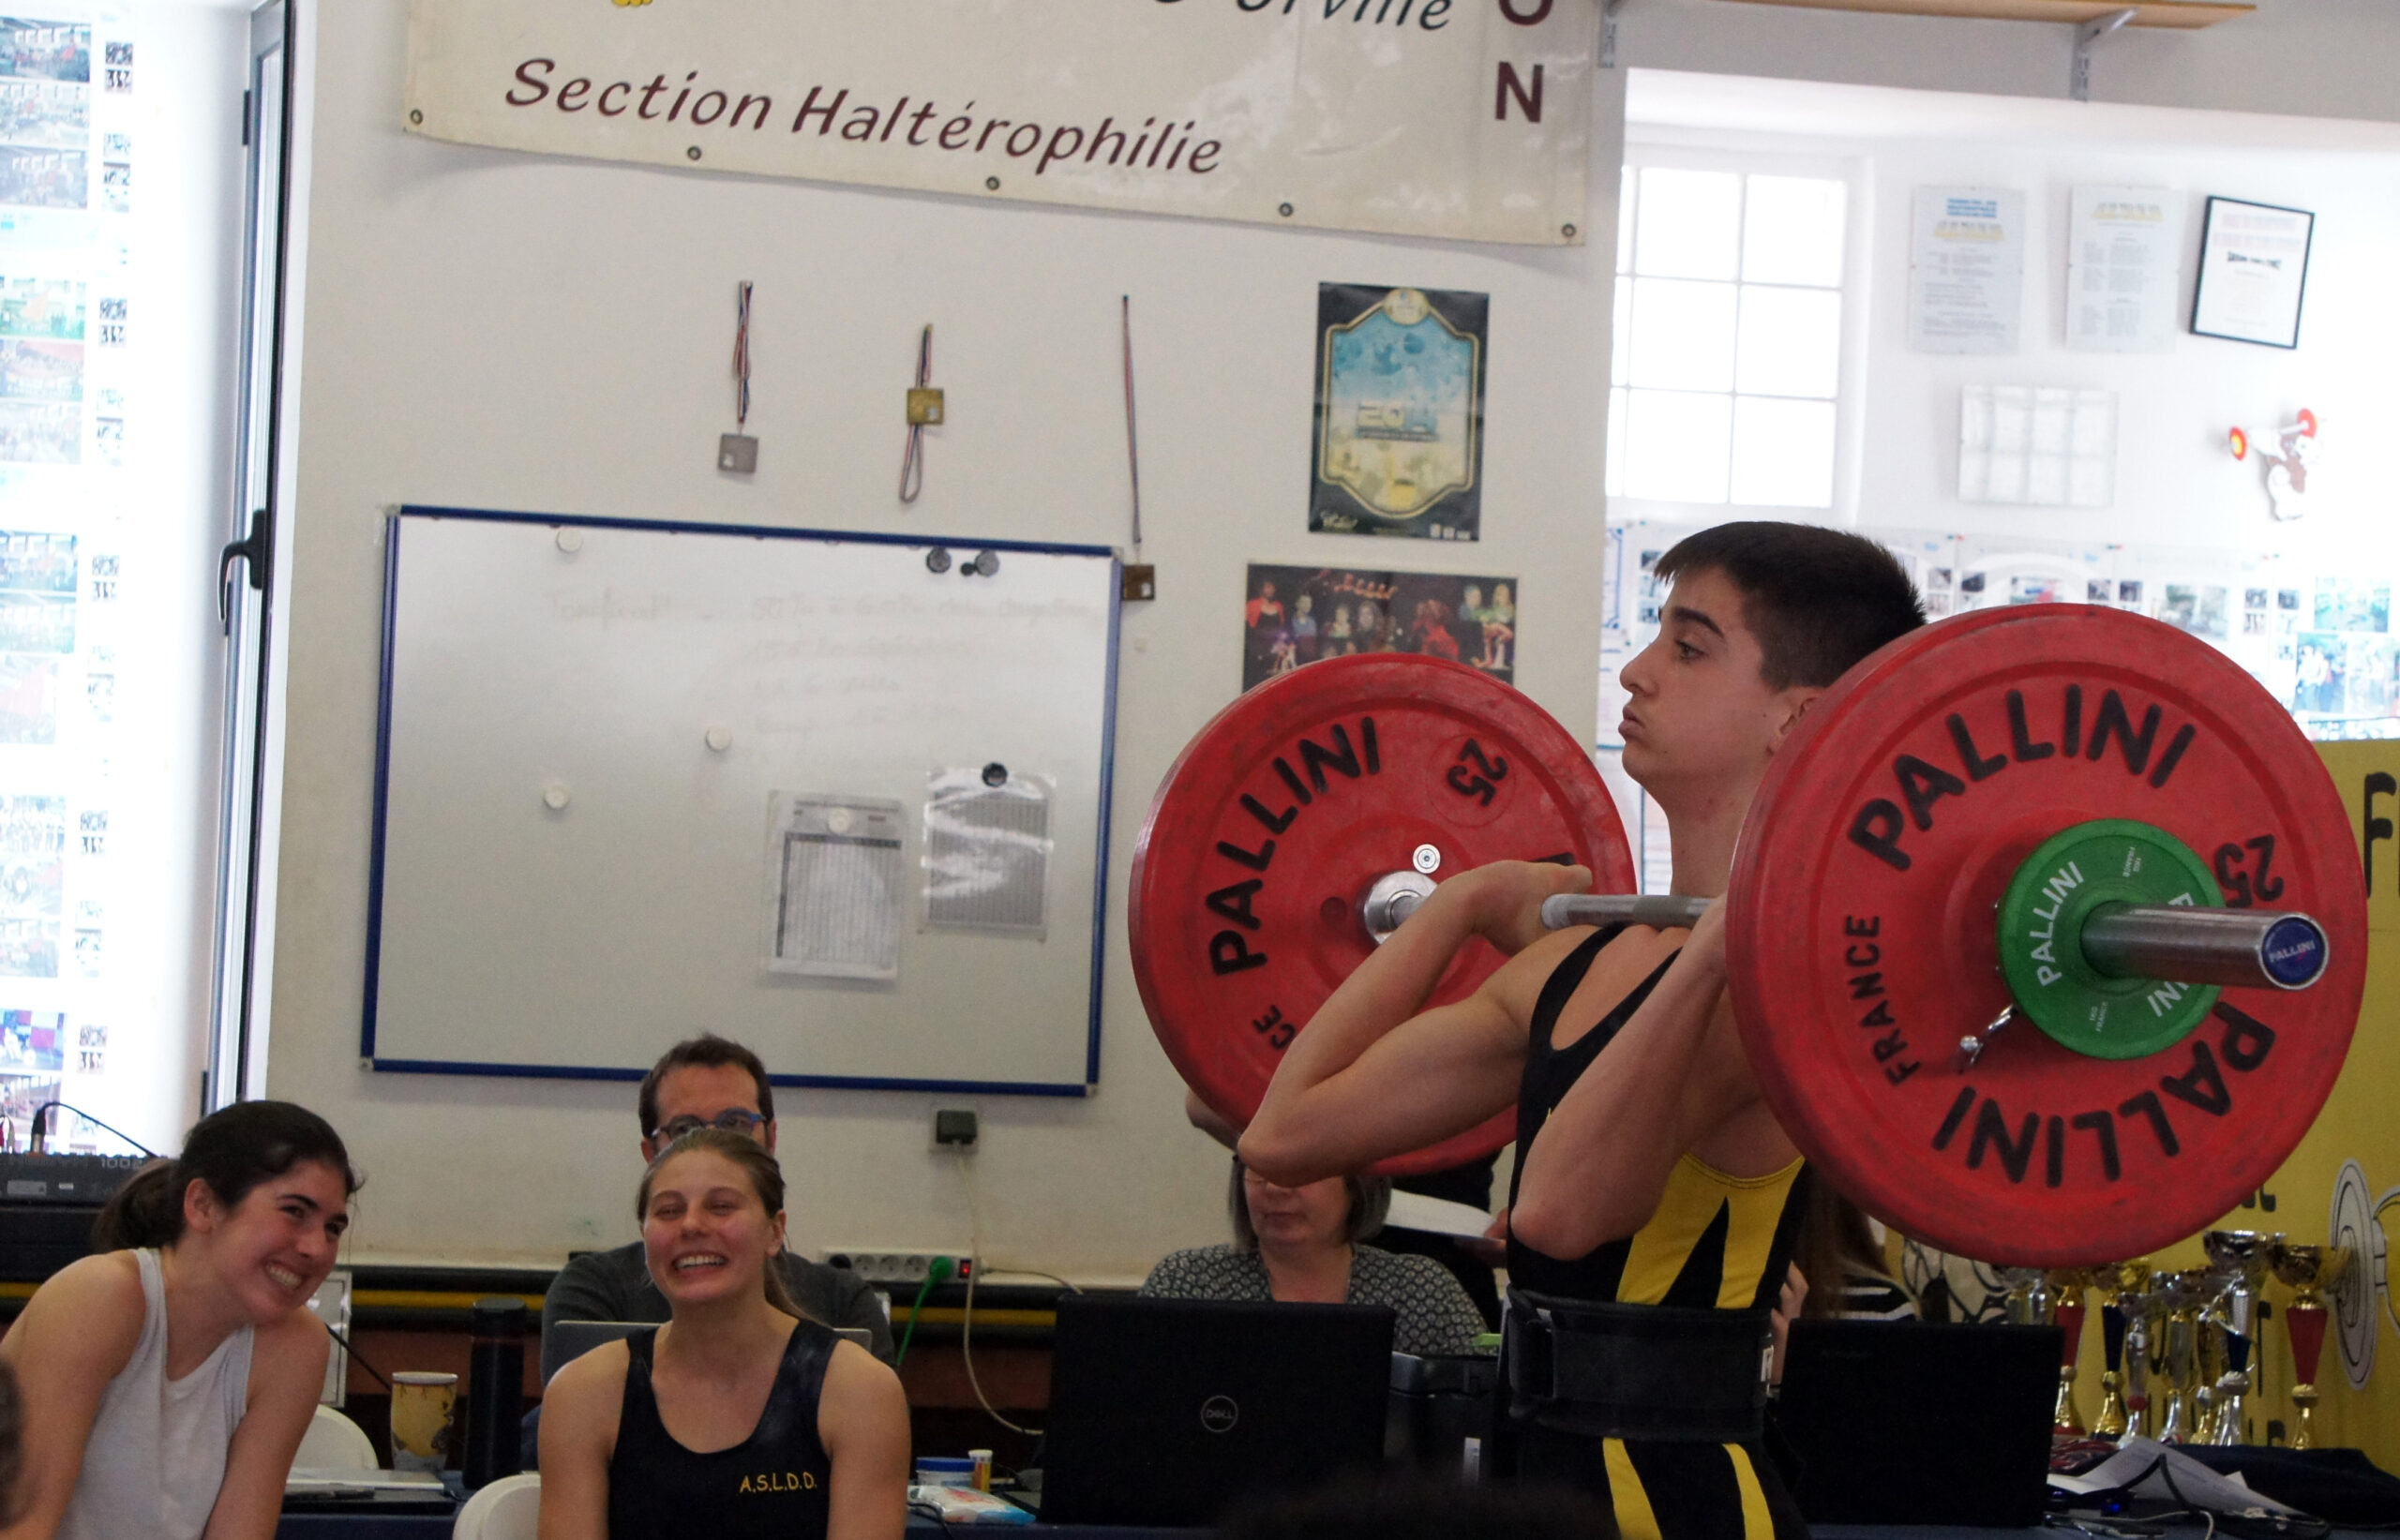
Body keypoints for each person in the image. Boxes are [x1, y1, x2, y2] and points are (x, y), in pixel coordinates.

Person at [1242, 522, 1925, 1538]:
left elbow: (1557, 1213)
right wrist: (1458, 906)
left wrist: (1721, 940)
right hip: (1539, 1480)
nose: (1639, 670)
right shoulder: (1586, 960)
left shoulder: (1769, 990)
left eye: (1688, 647)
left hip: (1683, 1502)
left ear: (1800, 716)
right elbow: (1284, 1130)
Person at [0, 1099, 359, 1540]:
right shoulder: (100, 1296)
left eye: (333, 1228)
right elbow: (22, 1527)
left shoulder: (297, 1346)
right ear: (203, 1205)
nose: (316, 1249)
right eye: (294, 1212)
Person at [538, 1129, 910, 1540]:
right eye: (668, 1211)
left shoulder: (860, 1391)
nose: (691, 1225)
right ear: (644, 1236)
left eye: (721, 1207)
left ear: (774, 1232)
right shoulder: (582, 1394)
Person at [542, 1035, 892, 1382]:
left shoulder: (842, 1301)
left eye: (735, 1123)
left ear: (771, 1139)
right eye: (685, 1129)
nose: (710, 1146)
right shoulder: (594, 1291)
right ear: (651, 1154)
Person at [1141, 1153, 1487, 1358]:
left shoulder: (1421, 1290)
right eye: (1259, 1167)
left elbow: (1483, 1408)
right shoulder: (1187, 1283)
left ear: (1357, 1184)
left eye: (1304, 1169)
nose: (1276, 1188)